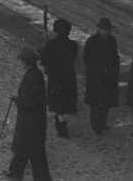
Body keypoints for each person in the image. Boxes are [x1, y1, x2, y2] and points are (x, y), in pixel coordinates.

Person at [5, 47, 52, 181]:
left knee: (31, 151)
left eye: (21, 61)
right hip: (32, 121)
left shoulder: (33, 77)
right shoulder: (34, 74)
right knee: (26, 149)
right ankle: (15, 173)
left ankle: (38, 177)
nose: (20, 63)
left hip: (32, 122)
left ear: (26, 62)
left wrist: (17, 100)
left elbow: (30, 102)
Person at [40, 18, 78, 138]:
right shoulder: (73, 45)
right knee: (65, 104)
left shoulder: (51, 44)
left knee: (58, 104)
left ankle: (61, 128)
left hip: (55, 78)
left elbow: (45, 61)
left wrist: (44, 48)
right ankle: (62, 125)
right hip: (68, 78)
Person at [83, 17, 119, 135]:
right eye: (104, 29)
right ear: (99, 29)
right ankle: (96, 127)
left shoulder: (112, 41)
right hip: (96, 78)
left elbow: (115, 57)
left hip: (108, 77)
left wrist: (114, 71)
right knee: (96, 104)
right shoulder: (92, 41)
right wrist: (97, 70)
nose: (106, 31)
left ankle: (102, 124)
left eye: (108, 29)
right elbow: (87, 59)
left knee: (106, 103)